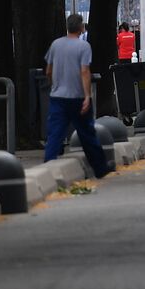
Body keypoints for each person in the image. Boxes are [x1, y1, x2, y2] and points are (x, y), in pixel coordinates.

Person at [43, 13, 112, 179]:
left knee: (55, 134)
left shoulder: (55, 45)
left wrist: (55, 85)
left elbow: (49, 70)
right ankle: (100, 168)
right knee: (87, 134)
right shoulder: (83, 47)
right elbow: (84, 71)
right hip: (77, 97)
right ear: (81, 28)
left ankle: (48, 167)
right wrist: (87, 95)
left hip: (58, 97)